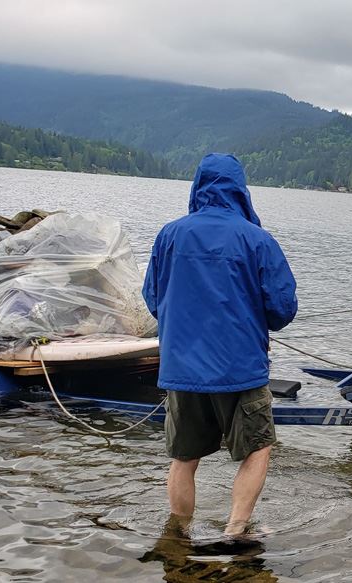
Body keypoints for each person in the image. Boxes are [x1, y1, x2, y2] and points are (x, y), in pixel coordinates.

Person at [142, 153, 298, 536]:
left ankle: (178, 535)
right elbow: (282, 309)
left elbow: (153, 299)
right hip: (240, 370)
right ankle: (235, 529)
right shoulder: (257, 239)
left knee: (183, 458)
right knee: (257, 448)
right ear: (241, 191)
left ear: (198, 187)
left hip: (182, 371)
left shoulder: (169, 235)